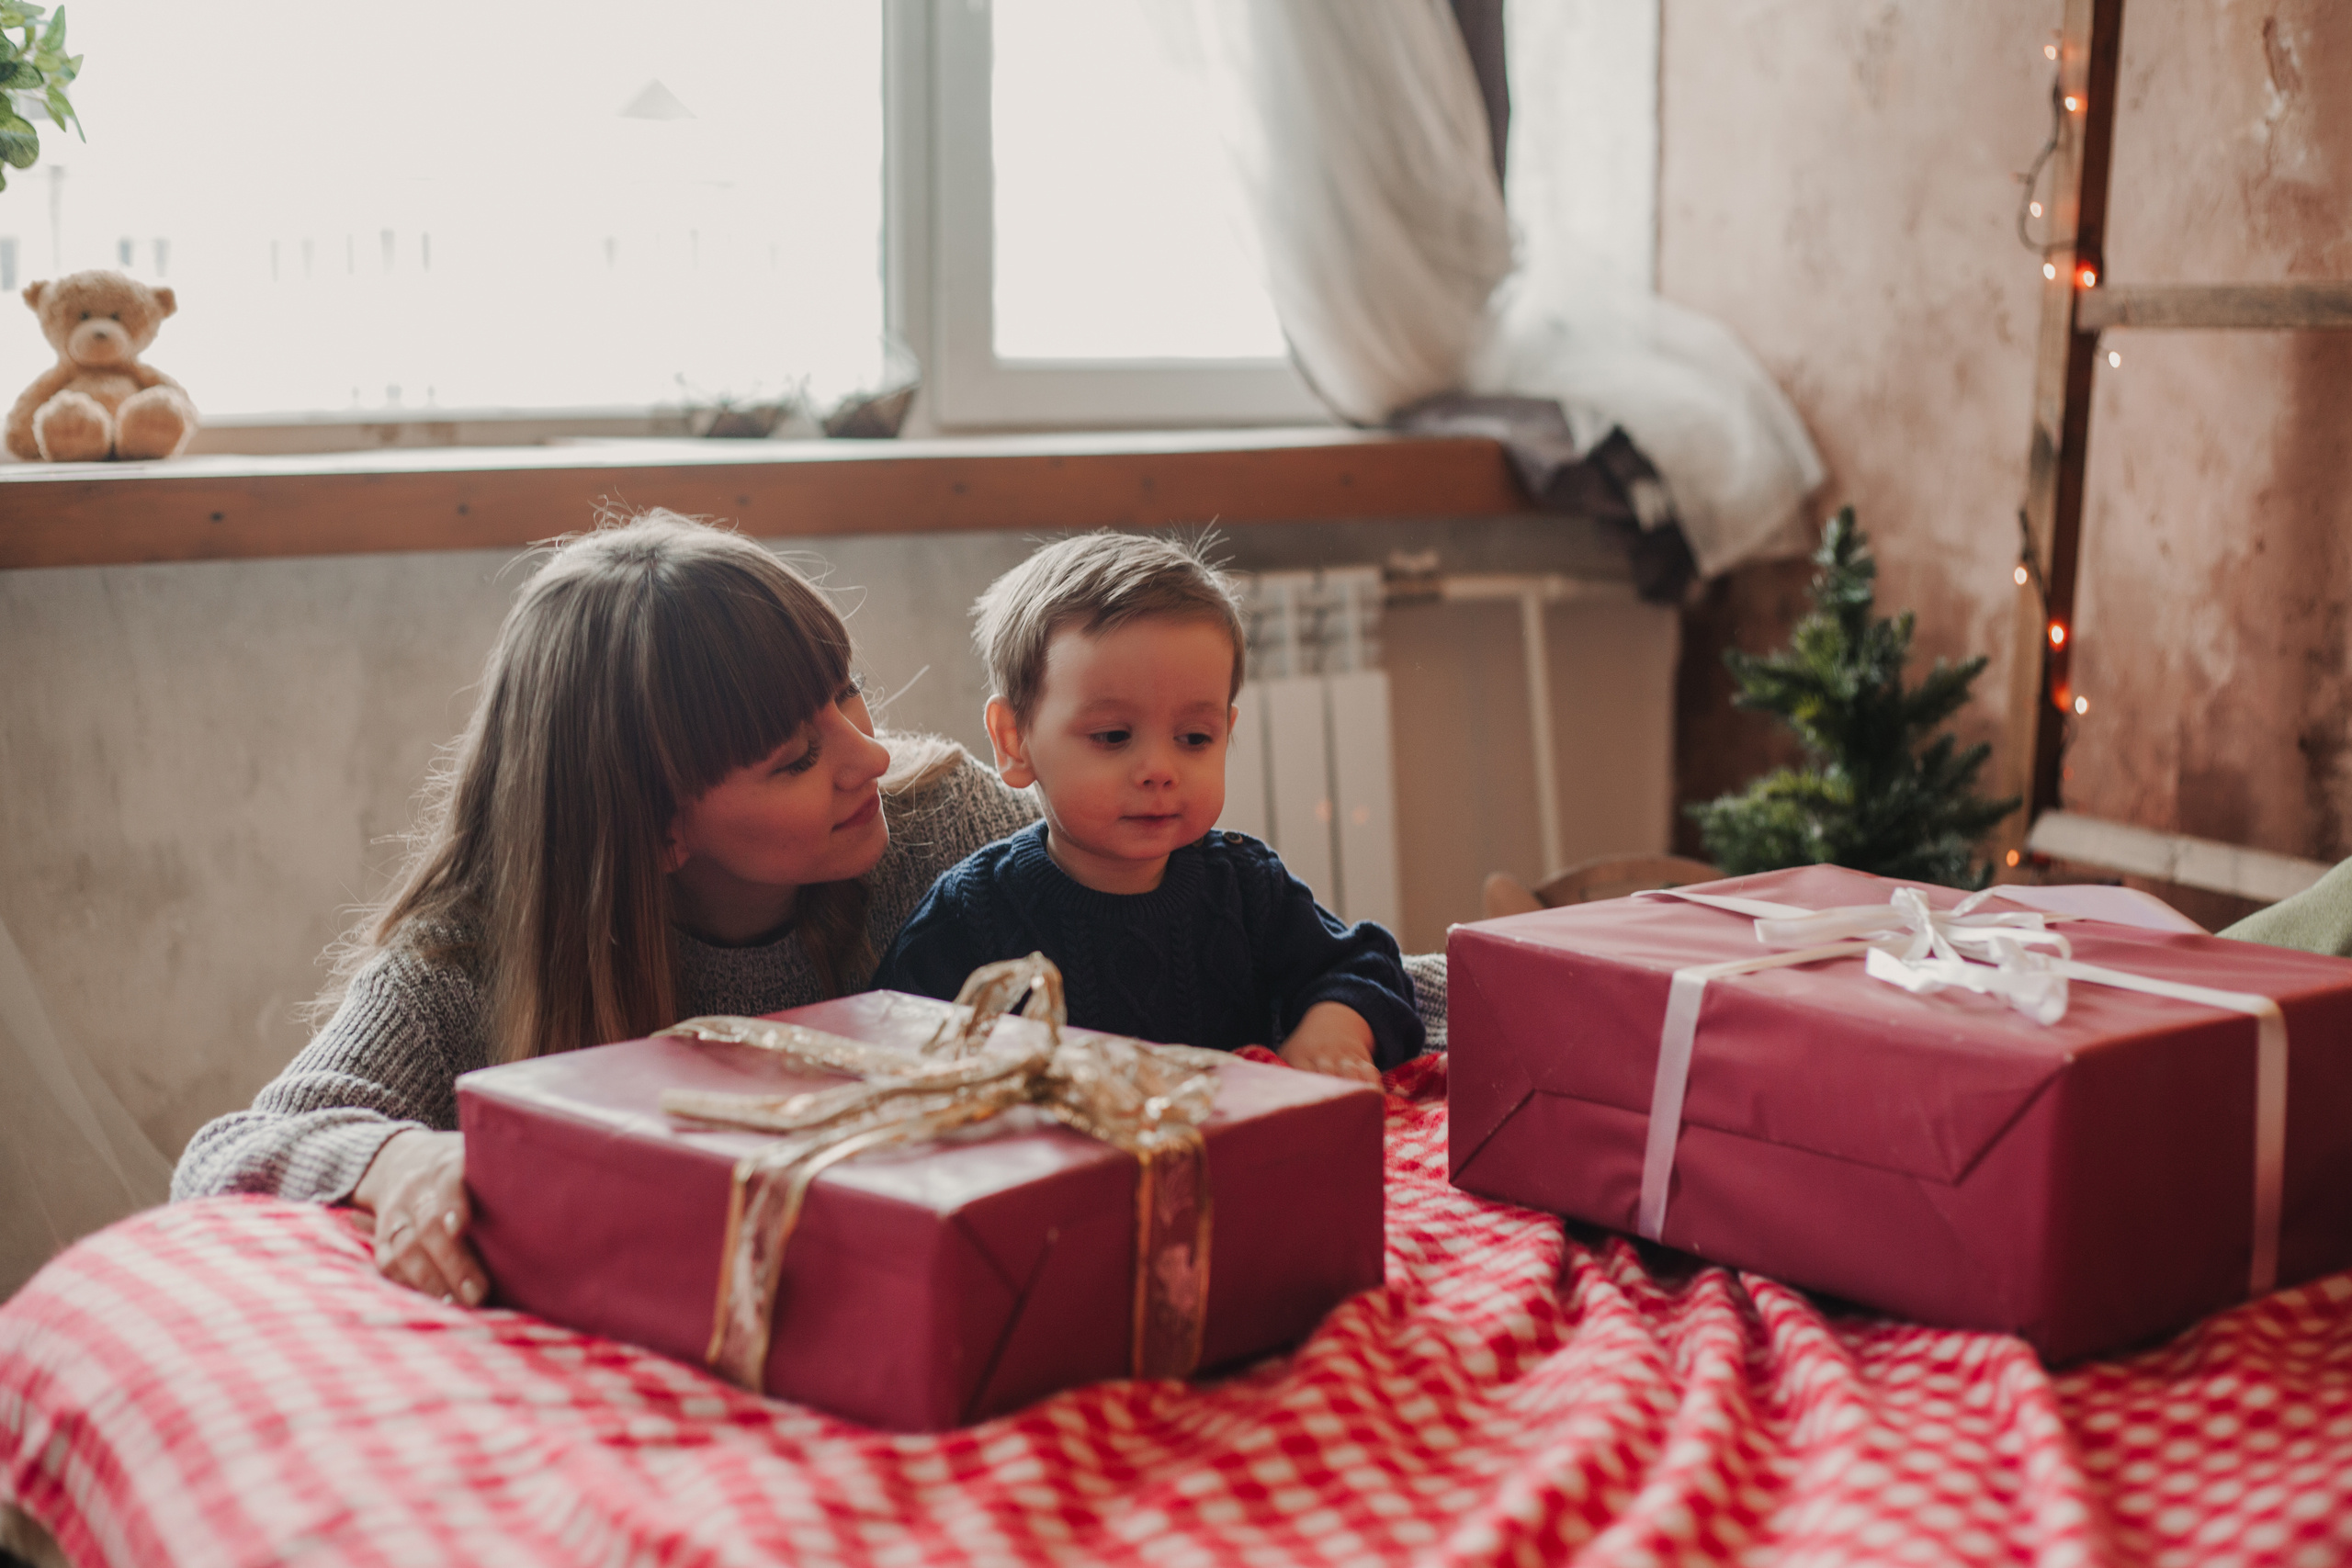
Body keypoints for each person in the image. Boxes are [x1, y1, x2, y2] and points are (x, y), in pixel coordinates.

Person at [171, 512, 1042, 1304]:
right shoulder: (475, 957)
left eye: (848, 693)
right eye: (794, 759)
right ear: (656, 828)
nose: (873, 757)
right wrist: (398, 1160)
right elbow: (228, 1154)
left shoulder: (946, 824)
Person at [873, 532, 1425, 1083]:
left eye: (1194, 738)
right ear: (1014, 741)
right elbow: (882, 1048)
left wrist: (1334, 1029)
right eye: (1114, 735)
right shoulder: (973, 912)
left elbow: (1367, 969)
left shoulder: (1247, 887)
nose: (1160, 769)